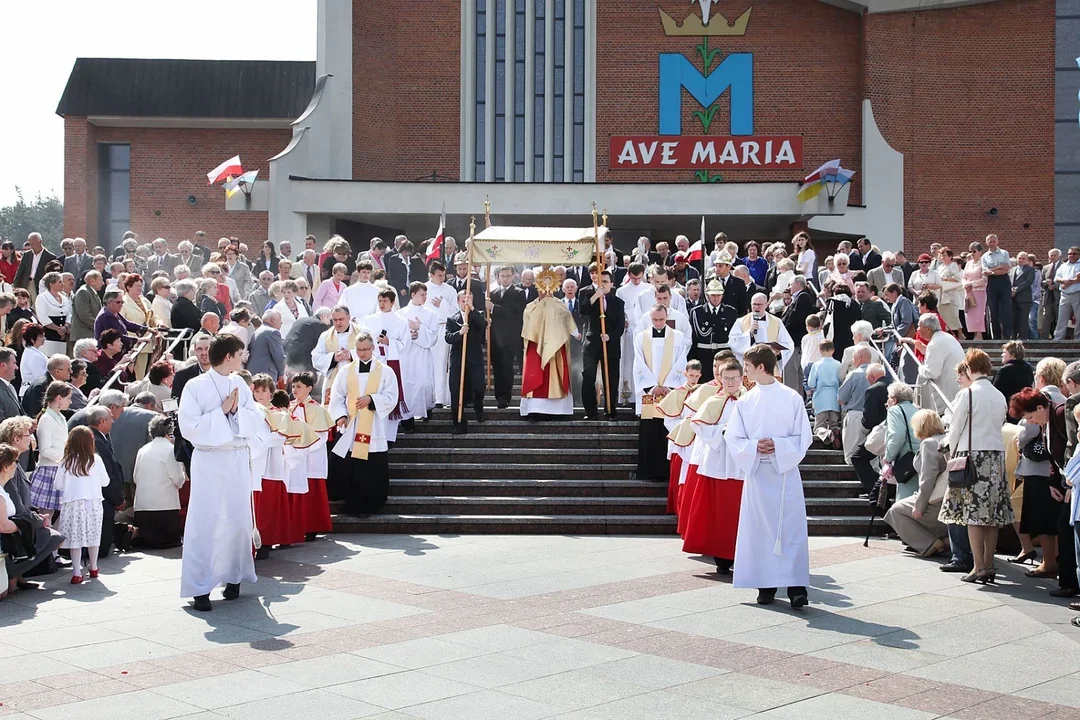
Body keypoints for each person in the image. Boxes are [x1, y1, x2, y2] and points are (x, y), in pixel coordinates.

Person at [178, 333, 269, 611]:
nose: (244, 358)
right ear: (229, 356)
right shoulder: (194, 386)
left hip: (236, 459)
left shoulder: (239, 381)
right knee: (205, 521)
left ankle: (234, 577)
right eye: (241, 354)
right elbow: (189, 427)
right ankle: (199, 587)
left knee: (237, 519)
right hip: (209, 460)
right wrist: (222, 411)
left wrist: (233, 414)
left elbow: (254, 417)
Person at [725, 343, 812, 608]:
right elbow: (733, 435)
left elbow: (803, 436)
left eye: (748, 367)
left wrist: (779, 445)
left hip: (784, 473)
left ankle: (797, 588)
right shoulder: (746, 401)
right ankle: (766, 585)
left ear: (761, 367)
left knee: (791, 529)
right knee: (760, 531)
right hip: (759, 472)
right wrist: (753, 447)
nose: (745, 372)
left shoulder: (791, 397)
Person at [940, 349, 1011, 584]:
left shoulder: (967, 394)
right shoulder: (999, 395)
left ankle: (978, 567)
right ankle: (989, 564)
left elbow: (955, 428)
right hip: (996, 456)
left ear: (970, 368)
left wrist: (950, 453)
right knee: (992, 515)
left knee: (973, 514)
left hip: (973, 456)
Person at [681, 359, 745, 573]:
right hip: (719, 458)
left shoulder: (750, 399)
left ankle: (743, 551)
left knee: (741, 508)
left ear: (741, 378)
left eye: (734, 378)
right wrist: (722, 432)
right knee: (718, 509)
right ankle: (721, 555)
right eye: (725, 378)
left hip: (742, 461)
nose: (730, 382)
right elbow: (697, 425)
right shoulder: (713, 401)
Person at [328, 331, 399, 514]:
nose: (362, 353)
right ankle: (353, 504)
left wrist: (371, 399)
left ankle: (373, 503)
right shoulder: (346, 371)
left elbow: (392, 396)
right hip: (352, 424)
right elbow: (337, 397)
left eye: (366, 349)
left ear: (373, 348)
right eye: (359, 350)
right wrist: (340, 416)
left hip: (374, 426)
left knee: (371, 466)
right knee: (353, 465)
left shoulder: (385, 371)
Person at [634, 305, 690, 482]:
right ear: (650, 318)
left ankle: (668, 472)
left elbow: (682, 362)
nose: (658, 323)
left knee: (667, 429)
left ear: (667, 317)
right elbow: (638, 363)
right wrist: (651, 387)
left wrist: (668, 386)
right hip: (649, 393)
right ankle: (647, 471)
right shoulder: (641, 337)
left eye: (661, 319)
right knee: (650, 432)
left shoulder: (678, 337)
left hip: (670, 392)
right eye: (655, 320)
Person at [884, 409, 950, 557]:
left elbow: (928, 478)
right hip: (944, 497)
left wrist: (919, 506)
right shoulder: (944, 438)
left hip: (935, 501)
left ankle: (929, 544)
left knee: (895, 511)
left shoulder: (928, 443)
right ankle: (941, 540)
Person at [520, 270, 579, 418]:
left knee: (557, 376)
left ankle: (559, 410)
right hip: (536, 346)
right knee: (535, 375)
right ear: (537, 287)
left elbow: (567, 320)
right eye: (542, 287)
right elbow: (527, 323)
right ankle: (534, 409)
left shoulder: (560, 305)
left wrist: (575, 333)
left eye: (548, 286)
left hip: (556, 347)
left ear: (554, 287)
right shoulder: (530, 306)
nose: (545, 290)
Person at [53, 426, 108, 584]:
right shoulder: (96, 459)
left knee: (75, 538)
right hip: (94, 501)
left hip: (73, 503)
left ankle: (77, 572)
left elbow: (58, 484)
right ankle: (94, 567)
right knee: (93, 535)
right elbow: (105, 481)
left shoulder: (67, 461)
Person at [130, 415, 186, 549]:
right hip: (164, 509)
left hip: (143, 507)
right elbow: (178, 479)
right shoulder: (170, 450)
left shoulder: (142, 450)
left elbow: (135, 477)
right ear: (169, 432)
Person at [288, 372, 334, 537]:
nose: (295, 389)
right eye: (293, 386)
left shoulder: (317, 409)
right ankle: (296, 525)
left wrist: (305, 448)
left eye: (299, 386)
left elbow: (322, 436)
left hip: (312, 457)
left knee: (312, 491)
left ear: (309, 388)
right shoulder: (289, 407)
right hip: (294, 456)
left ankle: (312, 526)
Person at [362, 288, 410, 434]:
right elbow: (364, 339)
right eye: (380, 301)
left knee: (390, 395)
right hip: (374, 361)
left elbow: (405, 344)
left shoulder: (401, 321)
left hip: (391, 361)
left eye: (385, 301)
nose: (382, 304)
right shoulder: (370, 320)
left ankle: (389, 434)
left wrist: (389, 342)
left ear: (392, 302)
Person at [581, 269, 625, 420]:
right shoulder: (588, 295)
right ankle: (590, 411)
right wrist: (595, 296)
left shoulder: (618, 302)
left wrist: (610, 337)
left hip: (610, 345)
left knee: (611, 378)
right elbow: (583, 311)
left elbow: (620, 326)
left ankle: (610, 409)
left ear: (612, 284)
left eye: (606, 282)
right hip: (592, 343)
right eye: (600, 282)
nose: (603, 285)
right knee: (588, 377)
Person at [397, 282, 438, 428]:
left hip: (422, 355)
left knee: (424, 383)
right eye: (422, 294)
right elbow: (397, 335)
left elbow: (433, 336)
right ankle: (408, 421)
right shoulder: (401, 314)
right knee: (408, 386)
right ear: (413, 294)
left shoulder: (430, 314)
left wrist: (419, 328)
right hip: (407, 356)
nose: (425, 297)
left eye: (426, 294)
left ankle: (427, 409)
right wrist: (410, 335)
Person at [446, 290, 487, 434]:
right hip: (458, 360)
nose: (466, 303)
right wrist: (460, 333)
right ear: (458, 302)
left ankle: (479, 409)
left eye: (468, 300)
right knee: (456, 391)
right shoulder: (452, 319)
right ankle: (458, 422)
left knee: (478, 386)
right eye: (463, 301)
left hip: (474, 359)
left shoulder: (477, 315)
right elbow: (448, 337)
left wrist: (473, 309)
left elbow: (484, 325)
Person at [28, 381, 72, 513]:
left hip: (60, 469)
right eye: (68, 398)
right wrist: (65, 458)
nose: (70, 402)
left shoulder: (61, 417)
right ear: (59, 398)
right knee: (46, 514)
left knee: (62, 512)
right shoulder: (47, 418)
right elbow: (45, 449)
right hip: (49, 470)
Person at [728, 292, 793, 377]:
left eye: (759, 304)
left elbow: (788, 344)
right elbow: (733, 342)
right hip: (749, 368)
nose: (756, 307)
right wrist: (749, 334)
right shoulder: (741, 321)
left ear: (766, 305)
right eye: (754, 304)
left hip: (769, 368)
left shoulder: (777, 322)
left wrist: (779, 353)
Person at [912, 314, 965, 418]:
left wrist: (921, 367)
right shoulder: (947, 338)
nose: (917, 329)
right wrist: (925, 350)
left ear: (928, 329)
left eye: (919, 326)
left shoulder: (935, 343)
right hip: (956, 391)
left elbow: (931, 373)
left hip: (947, 398)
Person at [489, 265, 526, 409]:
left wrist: (494, 308)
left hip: (510, 336)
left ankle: (505, 396)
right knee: (497, 367)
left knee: (506, 366)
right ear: (498, 277)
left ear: (513, 276)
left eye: (508, 276)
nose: (505, 278)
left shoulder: (519, 293)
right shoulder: (493, 293)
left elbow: (514, 312)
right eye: (502, 276)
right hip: (495, 335)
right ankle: (499, 396)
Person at [425, 260, 458, 408]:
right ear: (431, 275)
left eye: (443, 275)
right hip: (427, 329)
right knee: (428, 364)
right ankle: (429, 397)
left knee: (441, 364)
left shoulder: (450, 290)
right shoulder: (424, 288)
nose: (442, 278)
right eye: (439, 275)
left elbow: (457, 311)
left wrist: (443, 305)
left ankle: (442, 397)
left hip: (443, 327)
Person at [883, 383, 919, 503]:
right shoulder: (918, 409)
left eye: (888, 398)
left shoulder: (895, 410)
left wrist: (888, 459)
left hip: (906, 460)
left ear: (894, 399)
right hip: (921, 458)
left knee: (905, 503)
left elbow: (896, 435)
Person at [808, 340, 842, 448]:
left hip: (821, 397)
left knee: (818, 426)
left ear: (820, 351)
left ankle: (827, 434)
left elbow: (811, 383)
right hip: (835, 396)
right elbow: (842, 380)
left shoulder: (817, 365)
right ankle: (835, 431)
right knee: (834, 423)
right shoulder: (838, 364)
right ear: (833, 351)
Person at [993, 340, 1035, 423]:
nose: (1002, 354)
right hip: (1025, 408)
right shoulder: (1028, 368)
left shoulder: (1004, 370)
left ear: (1012, 354)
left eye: (1005, 352)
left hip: (1009, 410)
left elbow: (995, 392)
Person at [12, 232, 56, 302]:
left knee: (38, 305)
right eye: (30, 243)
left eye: (34, 243)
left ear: (41, 241)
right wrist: (16, 285)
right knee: (24, 304)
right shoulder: (26, 255)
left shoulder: (50, 257)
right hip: (26, 283)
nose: (32, 245)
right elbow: (20, 271)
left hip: (40, 285)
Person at [35, 272, 71, 357]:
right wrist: (58, 329)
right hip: (49, 334)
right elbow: (43, 317)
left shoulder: (64, 298)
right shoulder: (42, 297)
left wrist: (65, 328)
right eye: (60, 282)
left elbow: (69, 314)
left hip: (62, 336)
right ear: (51, 284)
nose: (63, 284)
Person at [247, 310, 286, 384]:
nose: (281, 323)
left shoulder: (257, 331)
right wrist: (281, 373)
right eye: (280, 319)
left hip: (253, 372)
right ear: (273, 319)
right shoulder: (273, 332)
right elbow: (279, 356)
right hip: (266, 374)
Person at [963, 242, 989, 339]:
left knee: (979, 314)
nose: (972, 253)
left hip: (979, 291)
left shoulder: (983, 263)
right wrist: (965, 284)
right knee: (969, 314)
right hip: (968, 292)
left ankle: (979, 334)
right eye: (970, 251)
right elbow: (963, 276)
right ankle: (974, 334)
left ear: (980, 252)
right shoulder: (968, 263)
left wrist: (972, 284)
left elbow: (984, 279)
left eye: (974, 251)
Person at [1054, 246, 1080, 341]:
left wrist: (1068, 282)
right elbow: (1056, 278)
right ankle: (1058, 338)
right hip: (1064, 295)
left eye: (1074, 254)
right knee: (1062, 317)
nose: (1071, 255)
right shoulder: (1063, 265)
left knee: (1079, 317)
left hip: (1077, 293)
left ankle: (1078, 338)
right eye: (1070, 253)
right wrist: (1065, 281)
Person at [1010, 251, 1037, 340]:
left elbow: (1028, 282)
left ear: (1027, 260)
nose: (1021, 260)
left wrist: (1016, 289)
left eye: (1023, 258)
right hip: (1013, 298)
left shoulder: (1030, 269)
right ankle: (1013, 336)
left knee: (1023, 319)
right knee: (1013, 318)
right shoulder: (1012, 269)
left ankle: (1023, 337)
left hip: (1024, 298)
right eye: (1019, 258)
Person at [1041, 248, 1063, 340]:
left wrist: (1055, 286)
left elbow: (1066, 280)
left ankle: (1059, 338)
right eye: (1051, 255)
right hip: (1048, 297)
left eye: (1054, 255)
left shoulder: (1064, 266)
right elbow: (1041, 282)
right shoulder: (1046, 268)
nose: (1052, 257)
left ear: (1059, 256)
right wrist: (1046, 282)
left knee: (1059, 318)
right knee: (1046, 319)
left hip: (1059, 296)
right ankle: (1043, 339)